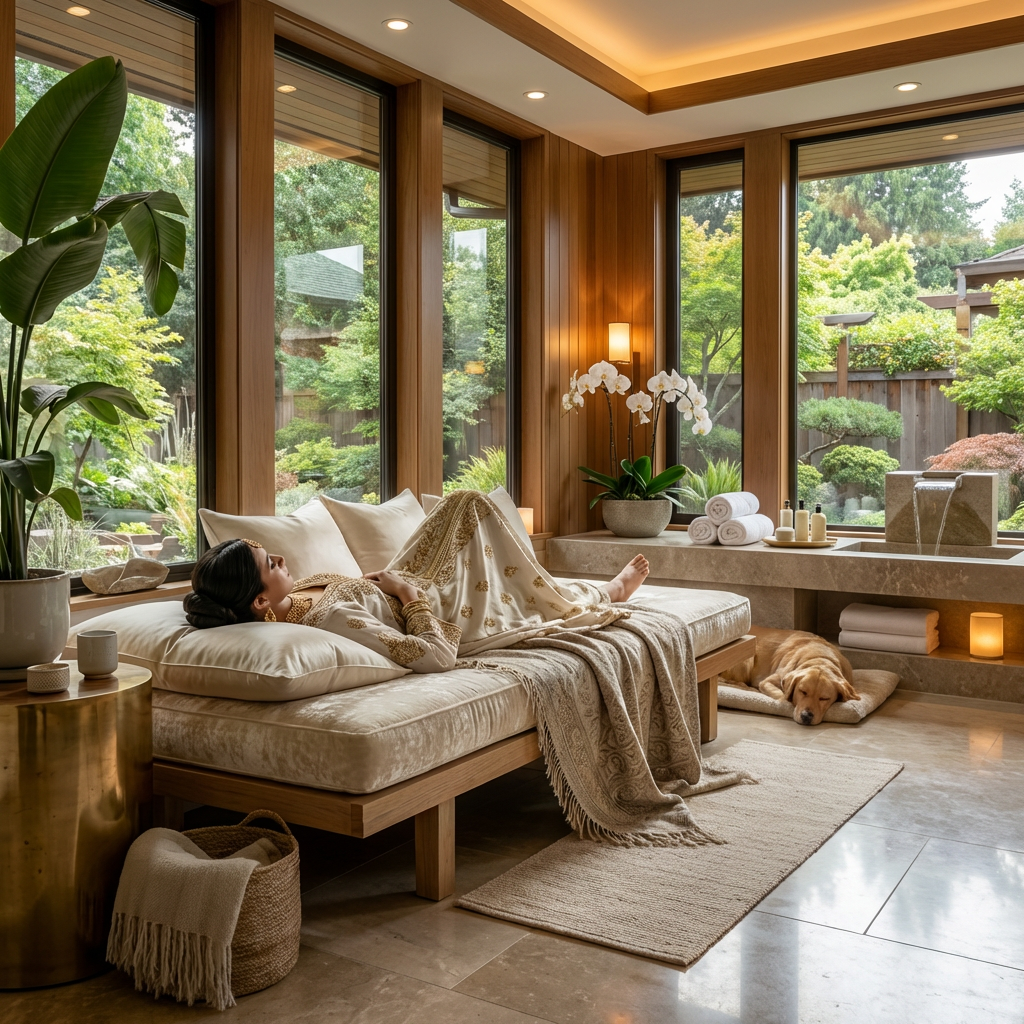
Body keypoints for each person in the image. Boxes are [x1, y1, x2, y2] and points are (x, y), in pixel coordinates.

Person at [183, 490, 650, 672]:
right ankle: (602, 592)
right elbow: (435, 657)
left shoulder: (298, 596)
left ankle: (575, 588)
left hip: (407, 575)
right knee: (513, 586)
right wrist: (408, 595)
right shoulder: (332, 621)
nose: (282, 557)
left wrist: (387, 581)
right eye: (271, 563)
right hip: (433, 603)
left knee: (465, 502)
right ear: (262, 601)